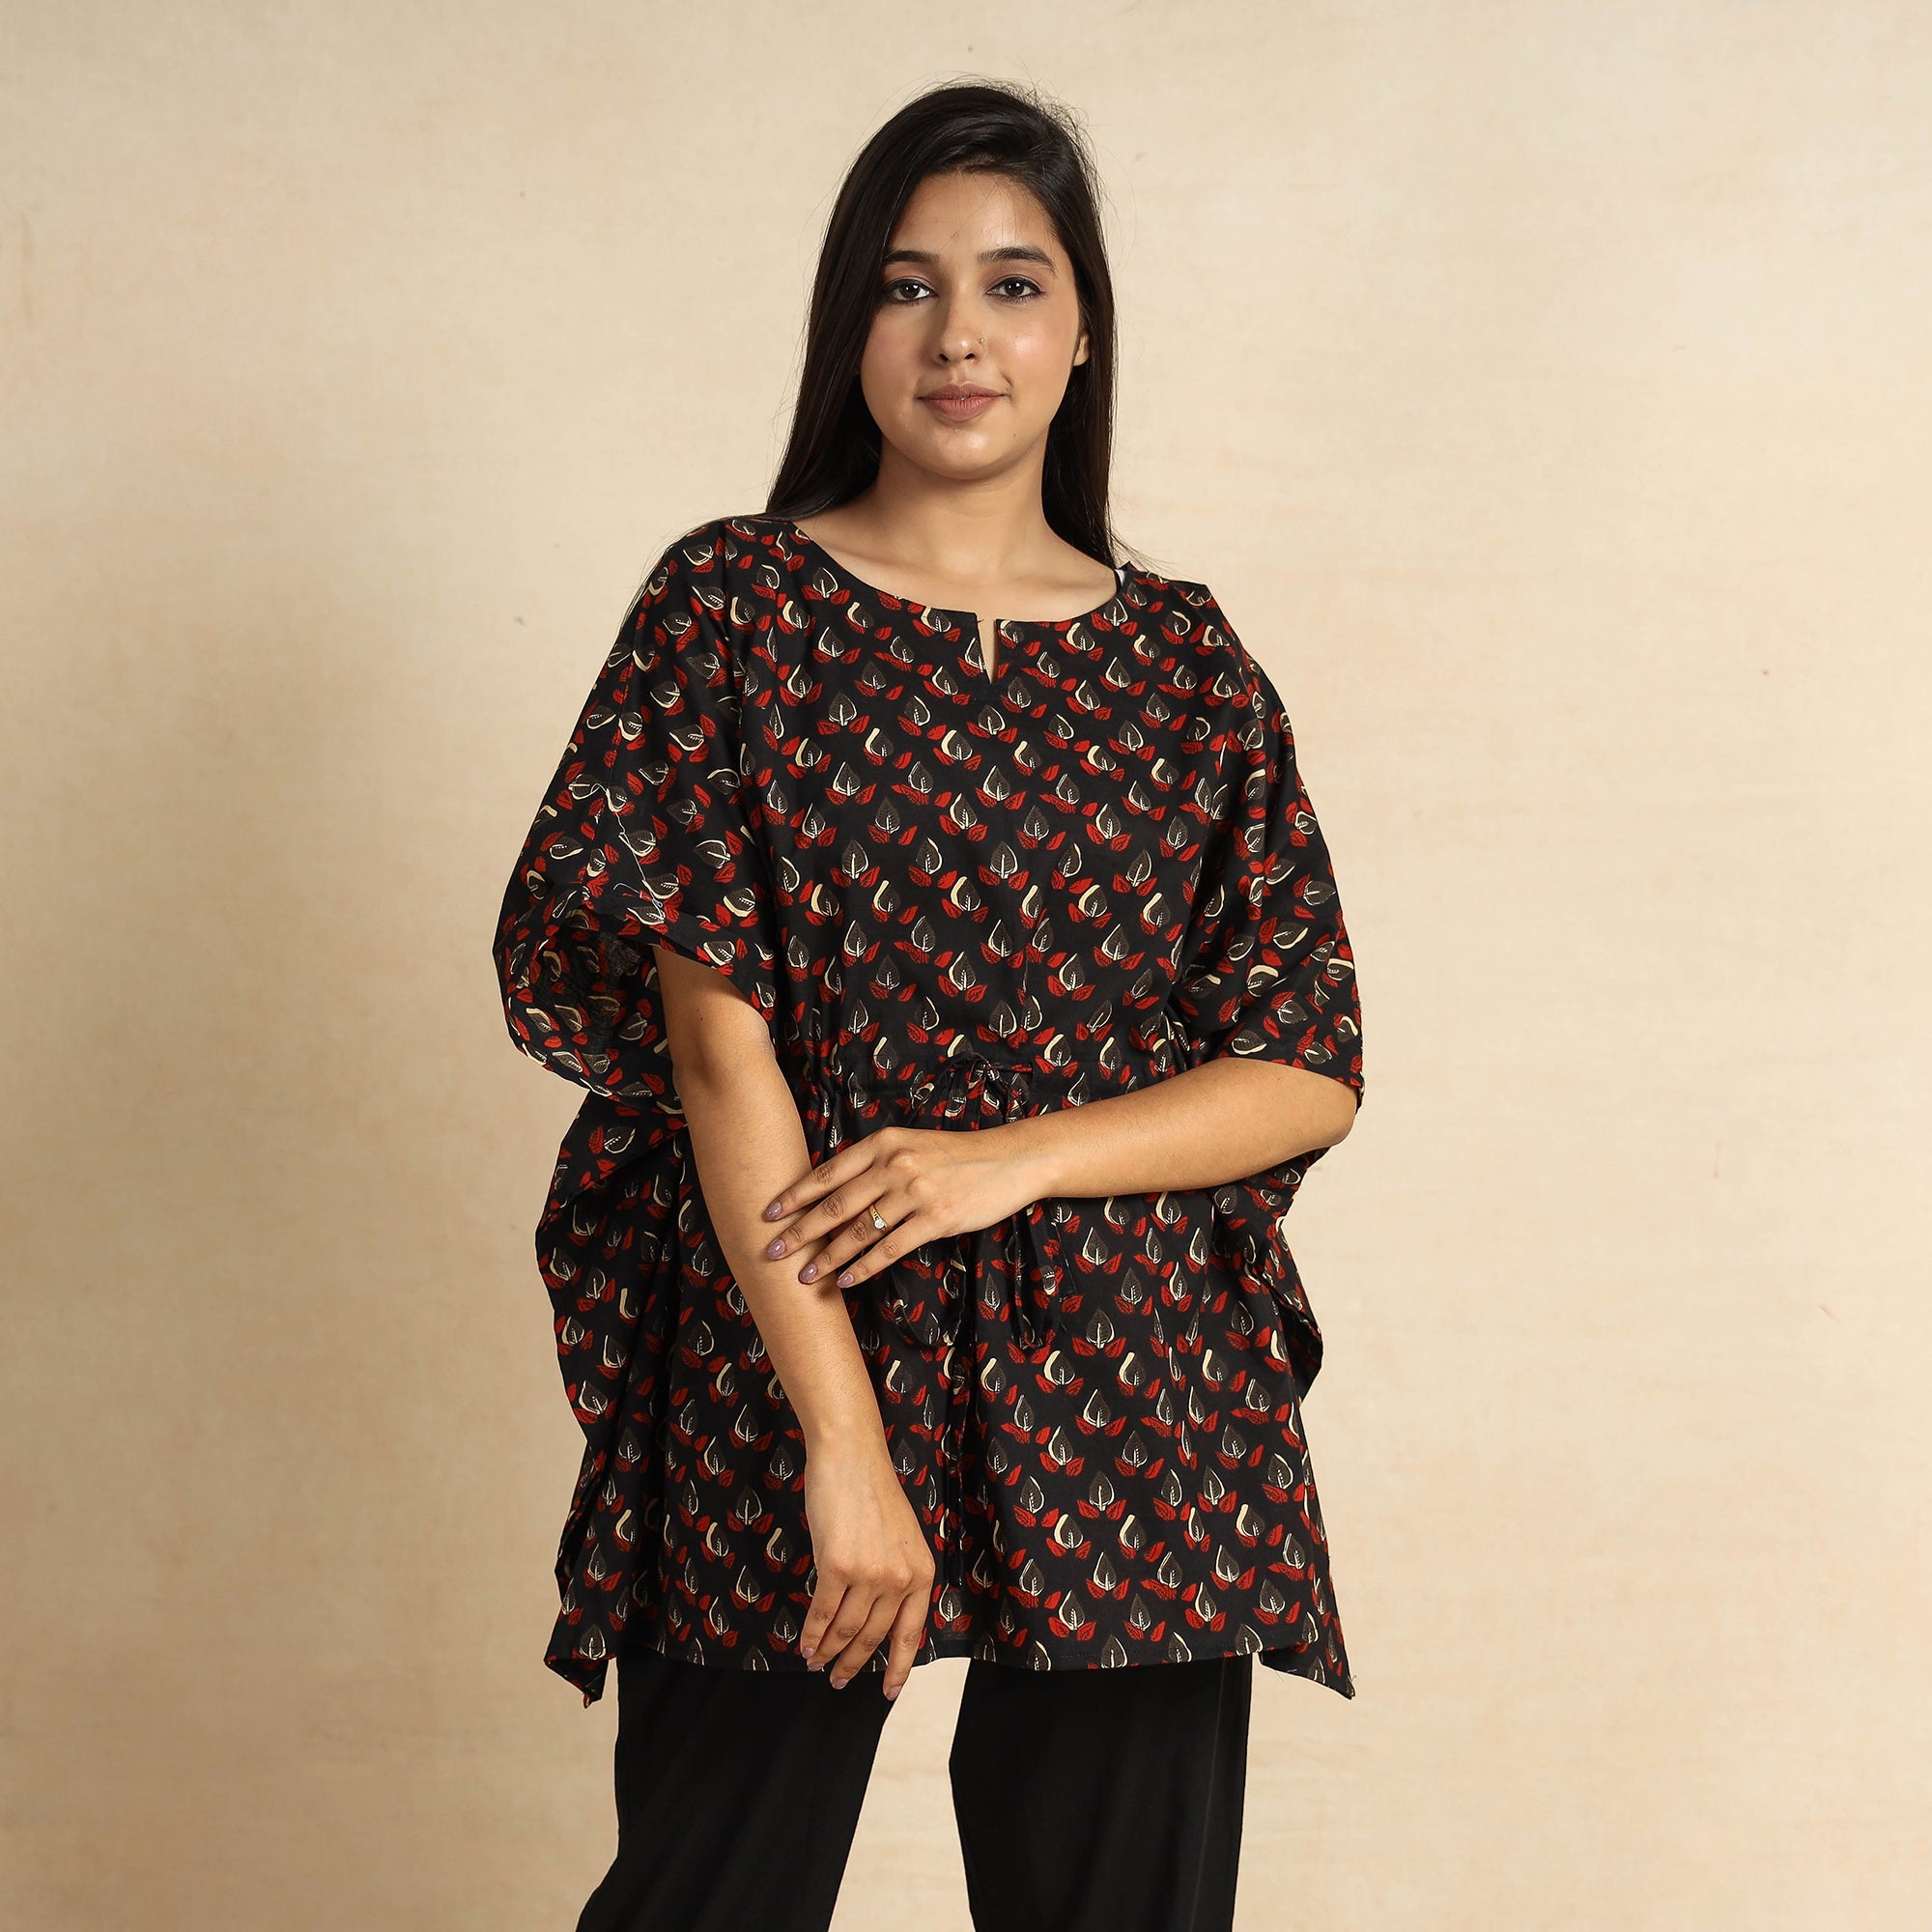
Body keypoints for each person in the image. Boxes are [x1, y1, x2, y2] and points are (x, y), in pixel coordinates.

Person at [492, 76, 1365, 1932]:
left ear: (1082, 334)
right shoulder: (731, 609)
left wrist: (1005, 1162)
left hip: (1135, 1377)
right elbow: (713, 1045)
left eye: (1013, 285)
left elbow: (1304, 1063)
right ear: (851, 324)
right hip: (788, 1340)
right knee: (709, 1896)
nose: (960, 334)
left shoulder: (1189, 665)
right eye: (908, 286)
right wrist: (844, 1445)